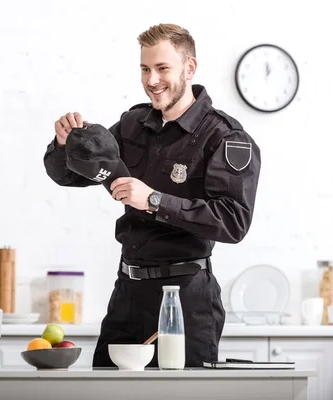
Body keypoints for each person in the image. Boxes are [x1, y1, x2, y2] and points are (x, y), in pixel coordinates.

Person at [42, 23, 261, 368]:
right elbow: (68, 175)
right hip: (128, 293)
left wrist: (155, 200)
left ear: (190, 68)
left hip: (186, 298)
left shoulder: (224, 136)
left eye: (162, 69)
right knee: (105, 392)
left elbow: (233, 222)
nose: (152, 80)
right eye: (145, 69)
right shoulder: (132, 125)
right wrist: (62, 144)